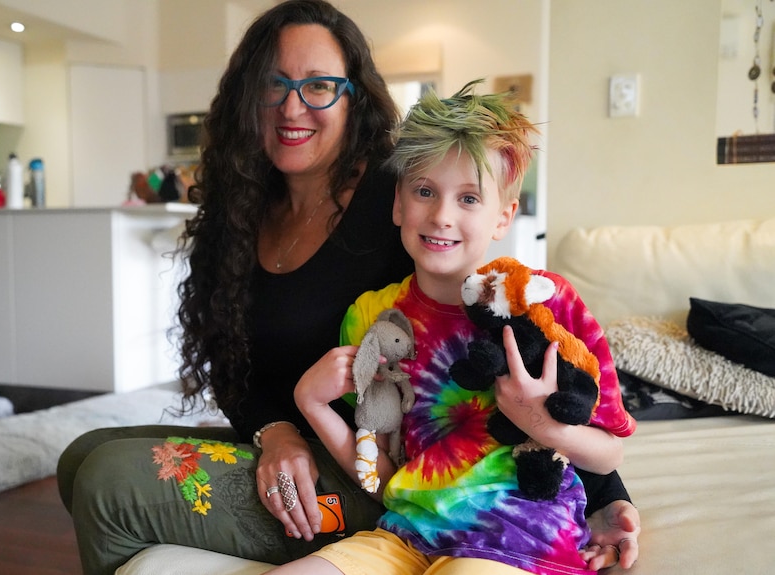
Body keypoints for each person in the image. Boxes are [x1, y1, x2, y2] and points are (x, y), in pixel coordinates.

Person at [56, 1, 639, 574]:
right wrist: (277, 429)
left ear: (353, 96)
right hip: (302, 438)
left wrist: (607, 494)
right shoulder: (239, 206)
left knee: (110, 485)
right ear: (246, 95)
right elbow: (233, 366)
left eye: (319, 86)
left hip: (371, 474)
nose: (292, 105)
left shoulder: (399, 196)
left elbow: (528, 350)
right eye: (273, 83)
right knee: (80, 459)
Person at [265, 81, 636, 575]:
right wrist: (311, 403)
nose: (441, 216)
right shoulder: (372, 317)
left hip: (520, 538)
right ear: (399, 204)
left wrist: (539, 423)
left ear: (503, 216)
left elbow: (609, 453)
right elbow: (381, 474)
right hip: (405, 538)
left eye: (468, 198)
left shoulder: (546, 301)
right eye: (424, 192)